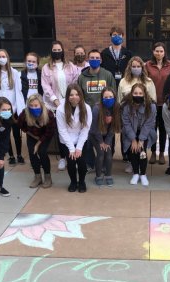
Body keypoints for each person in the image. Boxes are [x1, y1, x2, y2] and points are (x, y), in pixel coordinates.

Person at [41, 40, 80, 171]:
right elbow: (46, 87)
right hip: (55, 105)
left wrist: (71, 99)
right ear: (51, 52)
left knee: (71, 129)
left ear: (63, 51)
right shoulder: (46, 68)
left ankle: (72, 154)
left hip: (70, 103)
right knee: (60, 132)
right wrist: (56, 101)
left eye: (59, 50)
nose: (57, 52)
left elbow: (75, 82)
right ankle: (63, 158)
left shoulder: (70, 66)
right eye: (55, 50)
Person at [77, 49, 116, 172]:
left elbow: (113, 94)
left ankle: (105, 163)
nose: (94, 60)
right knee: (89, 140)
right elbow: (80, 96)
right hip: (89, 114)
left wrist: (112, 114)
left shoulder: (107, 75)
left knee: (108, 139)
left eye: (97, 58)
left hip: (106, 113)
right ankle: (91, 163)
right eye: (92, 58)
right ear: (88, 60)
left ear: (101, 60)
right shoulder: (82, 77)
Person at [118, 56, 156, 171]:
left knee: (141, 142)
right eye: (133, 66)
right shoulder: (123, 81)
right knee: (128, 139)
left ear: (142, 67)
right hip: (128, 116)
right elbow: (120, 100)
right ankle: (130, 161)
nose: (136, 68)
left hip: (144, 118)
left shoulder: (148, 82)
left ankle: (141, 162)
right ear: (129, 67)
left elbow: (153, 99)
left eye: (138, 66)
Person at [0, 49, 25, 165]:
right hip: (2, 110)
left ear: (8, 58)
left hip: (13, 108)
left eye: (3, 56)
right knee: (5, 134)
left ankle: (19, 154)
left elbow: (17, 91)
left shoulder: (14, 72)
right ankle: (10, 155)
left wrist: (13, 108)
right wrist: (1, 108)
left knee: (16, 133)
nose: (2, 58)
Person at [56, 83, 92, 193]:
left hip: (81, 138)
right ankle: (73, 182)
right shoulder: (60, 109)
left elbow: (85, 129)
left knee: (81, 162)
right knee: (71, 162)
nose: (74, 97)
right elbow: (62, 130)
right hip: (66, 140)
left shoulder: (86, 108)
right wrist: (71, 148)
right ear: (67, 96)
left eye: (77, 94)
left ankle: (82, 182)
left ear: (81, 95)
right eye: (71, 95)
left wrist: (79, 147)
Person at [121, 83, 157, 186]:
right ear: (131, 94)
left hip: (145, 132)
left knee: (142, 151)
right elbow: (126, 123)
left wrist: (141, 140)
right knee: (133, 151)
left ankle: (143, 174)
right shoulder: (126, 106)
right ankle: (136, 173)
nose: (138, 95)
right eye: (135, 93)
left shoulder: (151, 106)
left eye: (140, 93)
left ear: (144, 94)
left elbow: (149, 123)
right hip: (130, 131)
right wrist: (133, 139)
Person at [18, 94, 56, 189]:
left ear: (41, 105)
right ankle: (37, 177)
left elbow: (50, 132)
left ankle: (48, 177)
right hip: (32, 135)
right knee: (32, 153)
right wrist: (30, 134)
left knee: (42, 152)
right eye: (31, 106)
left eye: (36, 105)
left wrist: (39, 143)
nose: (33, 108)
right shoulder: (24, 113)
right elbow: (21, 125)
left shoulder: (49, 114)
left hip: (45, 136)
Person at [145, 42, 170, 165]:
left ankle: (161, 152)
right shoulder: (148, 65)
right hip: (152, 102)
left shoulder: (169, 65)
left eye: (161, 51)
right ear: (153, 51)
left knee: (163, 129)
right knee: (152, 128)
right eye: (157, 51)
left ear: (164, 52)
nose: (159, 53)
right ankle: (153, 152)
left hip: (165, 103)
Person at [89, 87, 120, 186]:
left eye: (110, 97)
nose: (108, 99)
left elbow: (114, 127)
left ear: (114, 97)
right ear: (102, 98)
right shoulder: (96, 108)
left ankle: (108, 175)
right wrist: (101, 142)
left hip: (107, 134)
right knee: (101, 152)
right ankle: (98, 176)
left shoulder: (117, 107)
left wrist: (107, 141)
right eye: (105, 97)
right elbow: (94, 128)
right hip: (95, 135)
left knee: (109, 153)